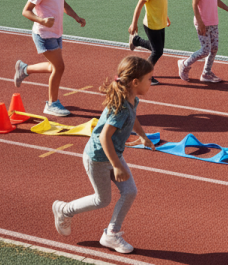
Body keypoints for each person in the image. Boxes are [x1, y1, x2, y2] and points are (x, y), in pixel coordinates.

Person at [52, 55, 155, 254]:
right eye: (149, 78)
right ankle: (64, 210)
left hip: (112, 155)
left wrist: (142, 135)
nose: (151, 82)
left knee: (130, 191)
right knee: (102, 200)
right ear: (135, 82)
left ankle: (111, 234)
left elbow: (134, 119)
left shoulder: (132, 100)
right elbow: (104, 138)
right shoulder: (121, 109)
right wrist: (116, 165)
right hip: (98, 158)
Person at [14, 0, 86, 117]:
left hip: (56, 32)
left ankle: (24, 69)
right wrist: (42, 20)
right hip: (43, 34)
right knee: (59, 67)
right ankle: (52, 104)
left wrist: (76, 16)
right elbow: (26, 11)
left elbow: (63, 3)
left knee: (55, 67)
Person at [128, 0, 171, 82]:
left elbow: (160, 3)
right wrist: (133, 24)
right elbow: (139, 6)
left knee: (157, 48)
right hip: (151, 24)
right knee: (157, 51)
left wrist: (165, 16)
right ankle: (144, 75)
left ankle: (136, 40)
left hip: (160, 22)